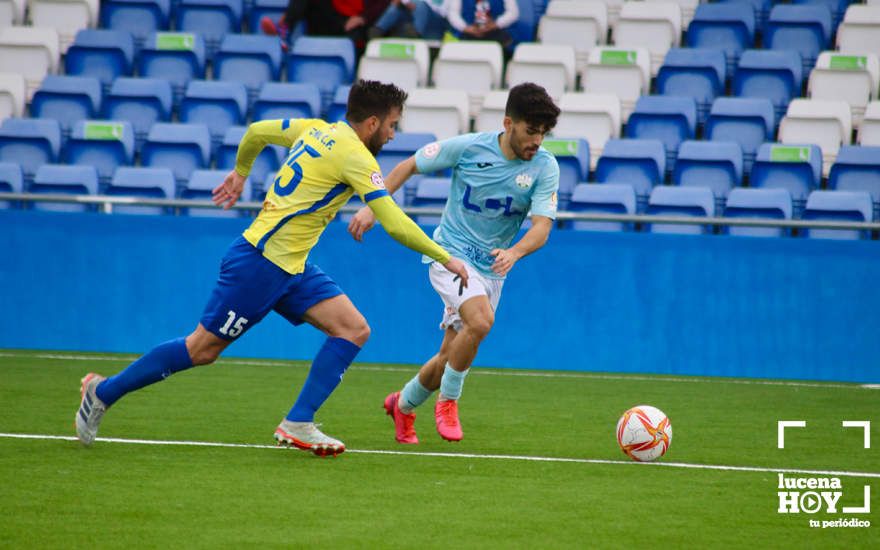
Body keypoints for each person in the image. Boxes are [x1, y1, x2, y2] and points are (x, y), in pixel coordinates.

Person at [75, 80, 469, 457]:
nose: (393, 135)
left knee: (353, 329)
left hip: (291, 266)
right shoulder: (356, 157)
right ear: (372, 123)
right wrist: (444, 256)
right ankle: (103, 392)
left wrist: (241, 171)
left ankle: (298, 421)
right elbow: (394, 220)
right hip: (260, 264)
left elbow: (258, 131)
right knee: (201, 349)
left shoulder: (315, 129)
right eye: (392, 126)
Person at [347, 82, 560, 443]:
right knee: (481, 321)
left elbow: (542, 228)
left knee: (449, 355)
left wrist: (515, 252)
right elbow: (408, 165)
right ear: (508, 123)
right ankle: (447, 402)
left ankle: (403, 404)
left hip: (493, 268)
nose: (537, 140)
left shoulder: (544, 167)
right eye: (530, 131)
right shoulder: (468, 147)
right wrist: (372, 207)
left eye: (543, 133)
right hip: (450, 254)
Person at [260, 0, 389, 52]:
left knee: (356, 35)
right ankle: (284, 30)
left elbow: (384, 4)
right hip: (332, 19)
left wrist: (363, 17)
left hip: (359, 26)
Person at [447, 0, 518, 53]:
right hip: (468, 37)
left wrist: (496, 24)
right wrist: (466, 28)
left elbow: (513, 13)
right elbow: (453, 14)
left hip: (497, 36)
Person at [368, 0, 452, 40]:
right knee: (396, 6)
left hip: (435, 21)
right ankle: (377, 30)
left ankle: (415, 33)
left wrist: (416, 4)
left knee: (421, 5)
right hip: (413, 16)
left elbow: (444, 11)